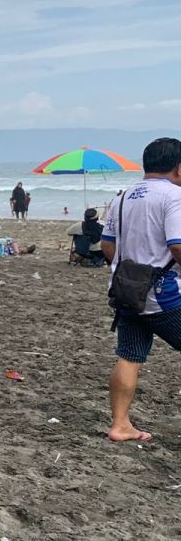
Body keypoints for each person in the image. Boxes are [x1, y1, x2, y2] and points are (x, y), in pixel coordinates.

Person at [102, 138, 181, 443]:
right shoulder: (175, 197)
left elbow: (108, 245)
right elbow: (177, 245)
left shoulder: (123, 196)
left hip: (126, 292)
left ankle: (120, 425)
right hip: (163, 295)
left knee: (129, 356)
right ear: (178, 167)